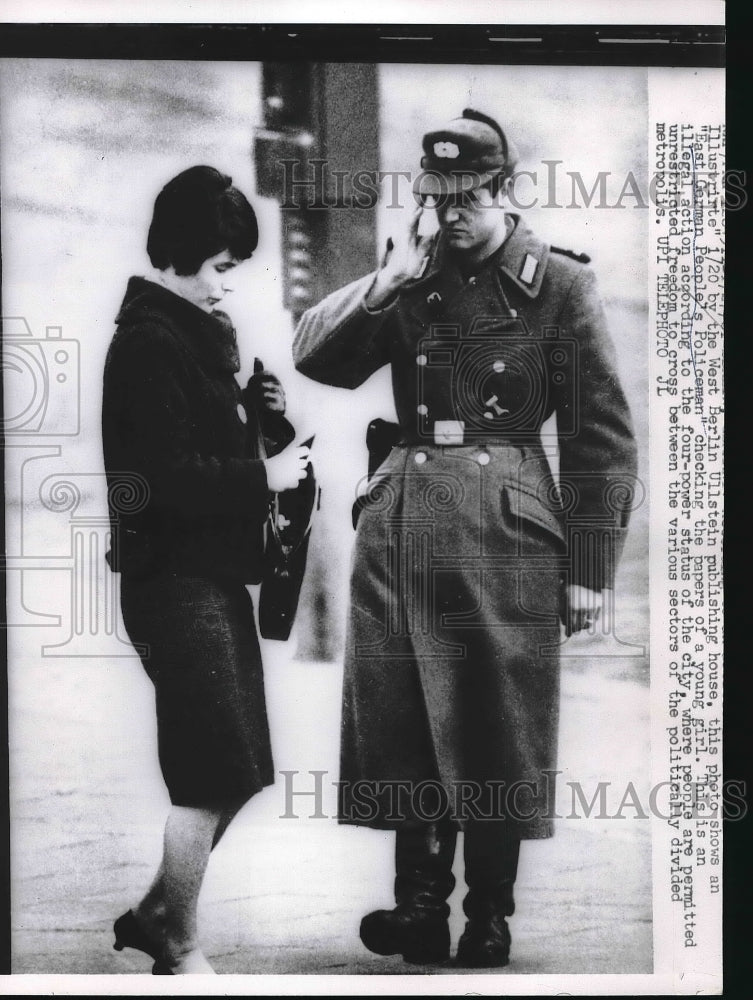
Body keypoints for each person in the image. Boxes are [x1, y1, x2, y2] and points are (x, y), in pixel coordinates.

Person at [293, 109, 639, 968]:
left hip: (505, 526)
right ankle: (417, 907)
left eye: (466, 199)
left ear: (505, 191)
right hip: (407, 516)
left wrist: (589, 569)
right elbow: (317, 358)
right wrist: (385, 283)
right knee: (408, 709)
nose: (449, 215)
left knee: (495, 717)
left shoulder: (558, 284)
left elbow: (602, 438)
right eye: (435, 197)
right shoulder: (414, 270)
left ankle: (487, 915)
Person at [102, 165, 311, 974]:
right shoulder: (149, 343)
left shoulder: (194, 334)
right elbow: (163, 481)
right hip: (170, 581)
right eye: (223, 267)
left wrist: (263, 419)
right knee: (209, 766)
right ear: (184, 254)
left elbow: (207, 447)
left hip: (211, 576)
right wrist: (266, 474)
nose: (229, 287)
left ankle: (159, 911)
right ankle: (180, 945)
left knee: (240, 766)